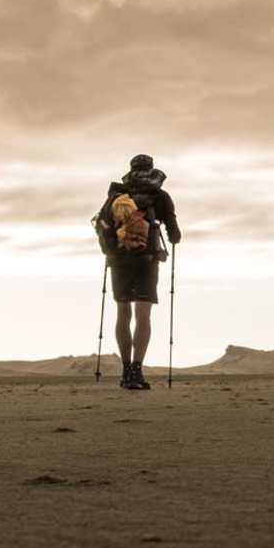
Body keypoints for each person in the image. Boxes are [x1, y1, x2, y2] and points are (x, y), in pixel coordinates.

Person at [95, 153, 181, 389]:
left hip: (119, 261)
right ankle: (136, 371)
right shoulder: (160, 196)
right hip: (147, 260)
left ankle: (125, 372)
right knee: (143, 315)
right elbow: (175, 236)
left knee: (123, 313)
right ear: (152, 169)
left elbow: (102, 225)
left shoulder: (117, 196)